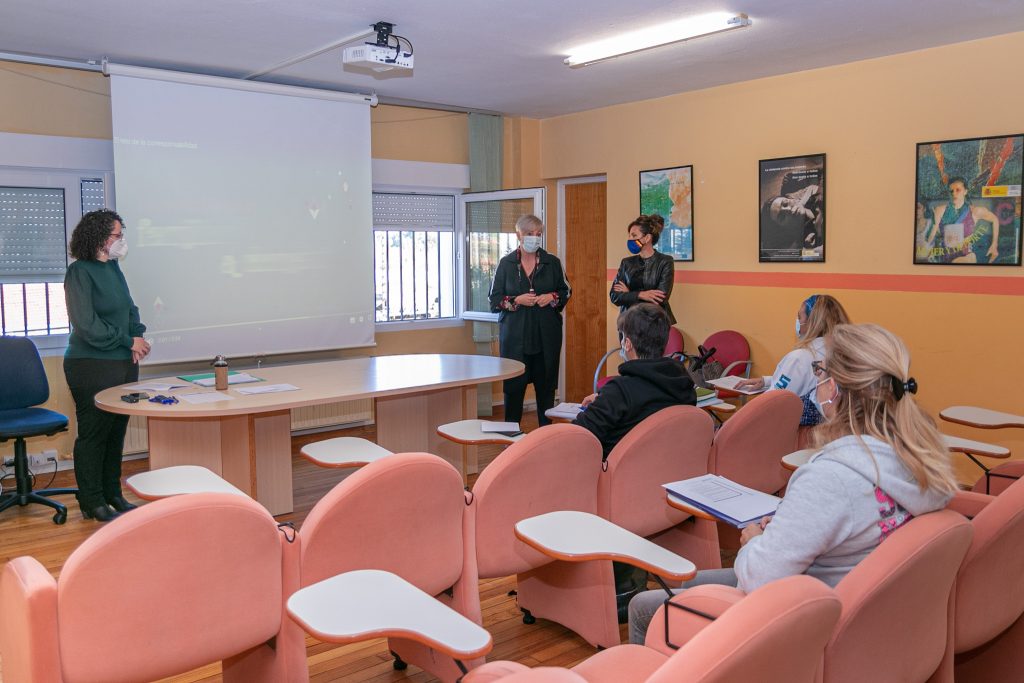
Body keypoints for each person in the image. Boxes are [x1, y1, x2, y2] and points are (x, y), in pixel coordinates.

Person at [628, 323, 958, 644]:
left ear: (837, 388)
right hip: (873, 619)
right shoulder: (921, 460)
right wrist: (789, 523)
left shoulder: (831, 477)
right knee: (687, 583)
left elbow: (758, 578)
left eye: (819, 372)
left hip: (804, 620)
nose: (817, 383)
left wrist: (753, 540)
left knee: (645, 608)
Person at [64, 209, 150, 522]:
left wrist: (138, 336)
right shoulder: (79, 272)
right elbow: (87, 324)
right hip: (90, 364)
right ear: (99, 237)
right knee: (94, 434)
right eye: (116, 235)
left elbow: (129, 308)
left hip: (122, 363)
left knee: (116, 431)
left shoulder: (113, 268)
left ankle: (112, 494)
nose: (120, 241)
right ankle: (92, 500)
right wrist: (128, 341)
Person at [573, 303, 695, 459]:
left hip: (616, 475)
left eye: (622, 337)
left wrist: (607, 400)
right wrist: (604, 399)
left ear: (628, 344)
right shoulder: (684, 384)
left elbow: (578, 436)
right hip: (666, 467)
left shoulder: (619, 391)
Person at [489, 214, 570, 427]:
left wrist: (551, 297)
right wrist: (517, 300)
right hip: (516, 340)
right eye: (529, 234)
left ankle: (546, 438)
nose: (534, 238)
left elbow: (566, 292)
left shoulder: (552, 262)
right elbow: (494, 299)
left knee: (546, 392)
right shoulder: (506, 264)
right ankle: (510, 438)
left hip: (546, 339)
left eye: (538, 234)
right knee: (514, 391)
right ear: (519, 235)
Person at [736, 294, 850, 425]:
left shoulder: (800, 358)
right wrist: (767, 381)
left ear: (812, 323)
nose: (797, 322)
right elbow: (803, 381)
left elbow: (769, 404)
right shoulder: (844, 353)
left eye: (800, 317)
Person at [610, 214, 676, 324]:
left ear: (647, 238)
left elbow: (659, 298)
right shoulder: (626, 263)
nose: (629, 239)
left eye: (634, 235)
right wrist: (641, 295)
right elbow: (614, 296)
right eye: (629, 235)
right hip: (629, 322)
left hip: (655, 323)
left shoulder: (665, 261)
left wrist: (629, 293)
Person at [930, 176, 1001, 264]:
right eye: (951, 191)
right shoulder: (940, 210)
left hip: (966, 257)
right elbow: (931, 236)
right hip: (945, 257)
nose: (954, 194)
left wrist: (994, 245)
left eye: (958, 190)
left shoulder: (975, 211)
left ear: (965, 191)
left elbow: (995, 220)